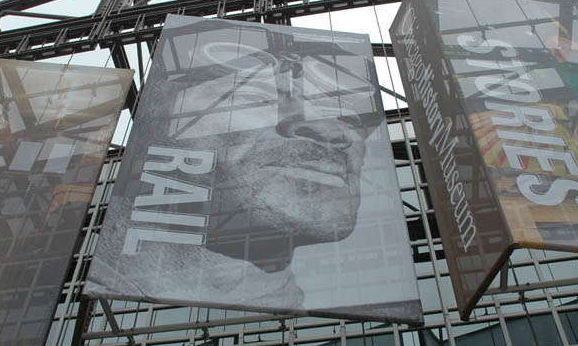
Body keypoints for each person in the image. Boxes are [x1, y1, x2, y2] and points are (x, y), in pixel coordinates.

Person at [86, 16, 415, 320]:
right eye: (256, 97)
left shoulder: (330, 318)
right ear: (160, 123)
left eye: (348, 116)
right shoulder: (101, 285)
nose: (330, 130)